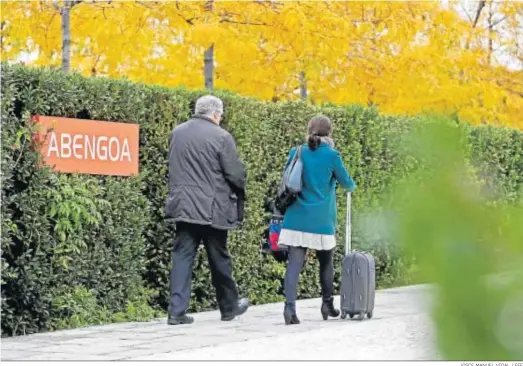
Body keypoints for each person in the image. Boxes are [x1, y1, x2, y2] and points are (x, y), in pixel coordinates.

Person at [165, 95, 249, 325]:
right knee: (218, 257)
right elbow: (235, 174)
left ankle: (176, 311)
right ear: (214, 114)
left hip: (183, 205)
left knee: (182, 256)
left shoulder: (177, 133)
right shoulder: (222, 137)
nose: (220, 119)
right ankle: (229, 308)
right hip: (212, 208)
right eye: (220, 115)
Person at [278, 115, 356, 325]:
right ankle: (327, 304)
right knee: (326, 263)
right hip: (321, 220)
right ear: (330, 133)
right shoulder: (332, 155)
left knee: (294, 265)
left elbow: (286, 178)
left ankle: (289, 310)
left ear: (309, 130)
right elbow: (348, 184)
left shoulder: (297, 151)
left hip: (296, 217)